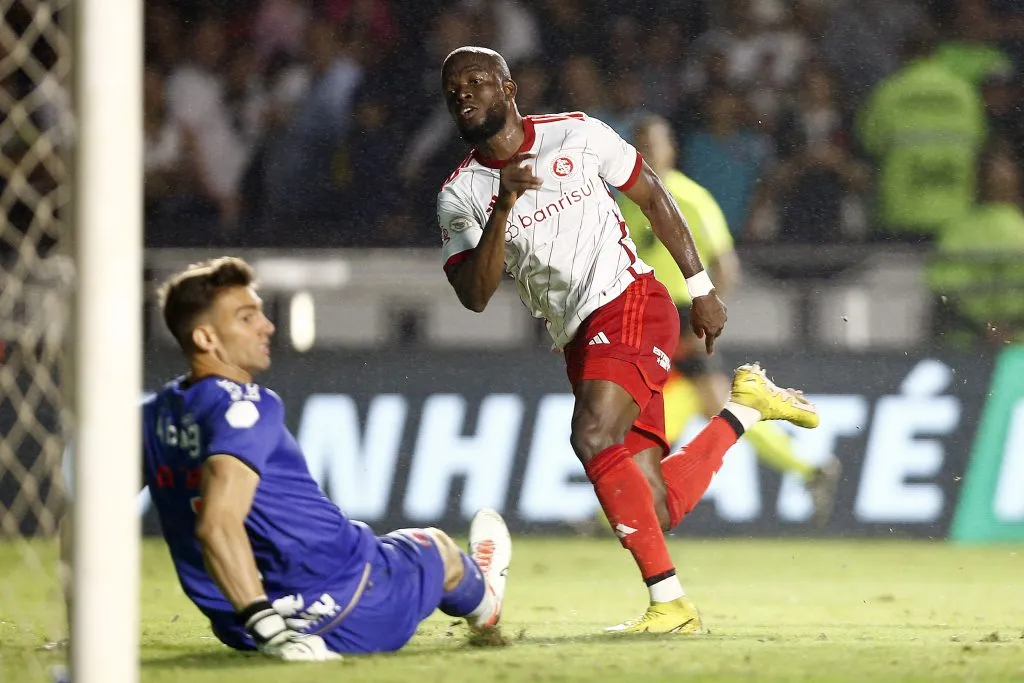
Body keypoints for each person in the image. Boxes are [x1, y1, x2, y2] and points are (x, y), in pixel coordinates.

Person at [436, 46, 820, 634]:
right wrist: (505, 204)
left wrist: (703, 288)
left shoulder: (578, 134)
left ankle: (671, 604)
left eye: (477, 81)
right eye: (453, 88)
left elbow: (653, 197)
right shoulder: (460, 195)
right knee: (655, 507)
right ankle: (745, 408)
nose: (464, 93)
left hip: (632, 300)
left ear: (509, 89)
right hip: (577, 336)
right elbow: (475, 293)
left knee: (591, 434)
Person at [141, 256, 512, 660]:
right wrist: (268, 629)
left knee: (385, 545)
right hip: (350, 602)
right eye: (246, 318)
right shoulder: (246, 406)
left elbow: (93, 520)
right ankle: (485, 598)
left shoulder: (152, 415)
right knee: (435, 545)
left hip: (238, 623)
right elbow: (217, 524)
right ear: (206, 339)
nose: (267, 326)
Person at [617, 114, 841, 528]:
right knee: (702, 410)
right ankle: (809, 468)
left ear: (672, 149)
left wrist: (709, 313)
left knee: (644, 415)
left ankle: (614, 509)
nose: (646, 151)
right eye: (639, 143)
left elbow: (726, 264)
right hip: (643, 320)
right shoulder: (624, 200)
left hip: (681, 317)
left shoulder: (690, 197)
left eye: (653, 143)